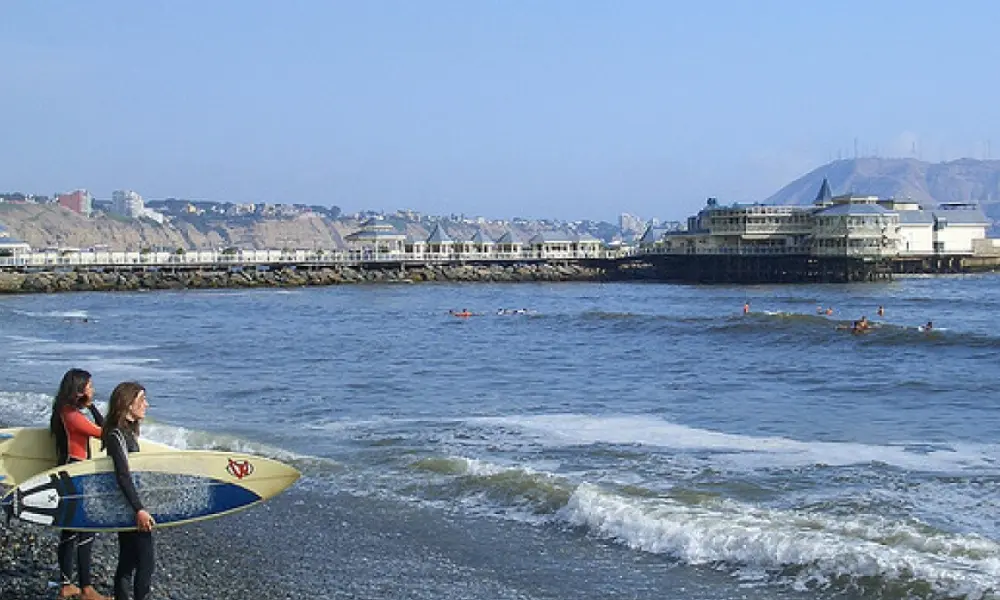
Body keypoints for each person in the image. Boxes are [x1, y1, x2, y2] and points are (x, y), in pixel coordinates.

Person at [50, 369, 110, 600]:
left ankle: (68, 585)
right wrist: (92, 407)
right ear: (79, 388)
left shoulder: (64, 411)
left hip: (69, 471)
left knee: (71, 529)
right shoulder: (73, 416)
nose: (92, 390)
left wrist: (87, 405)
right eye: (90, 386)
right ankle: (86, 589)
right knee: (85, 528)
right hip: (76, 473)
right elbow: (105, 432)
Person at [102, 382, 155, 600]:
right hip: (129, 506)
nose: (147, 404)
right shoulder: (117, 435)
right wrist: (139, 509)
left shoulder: (122, 433)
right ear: (128, 403)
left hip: (127, 504)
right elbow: (123, 475)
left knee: (128, 560)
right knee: (145, 561)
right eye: (142, 400)